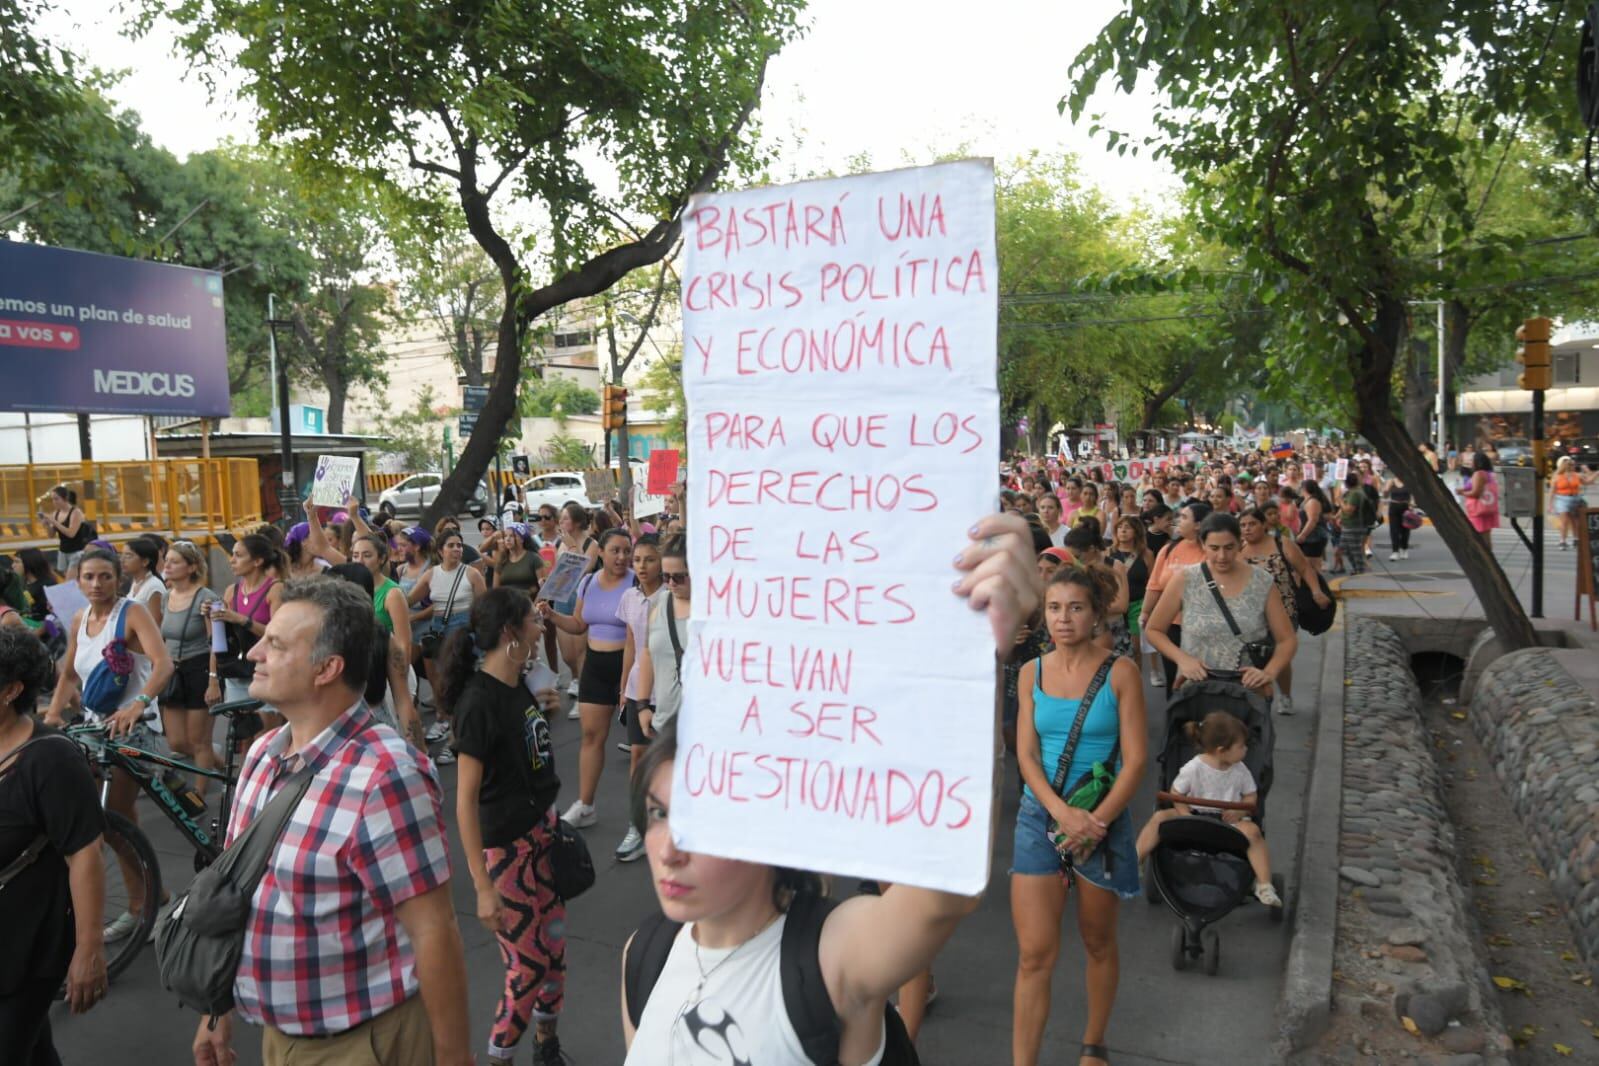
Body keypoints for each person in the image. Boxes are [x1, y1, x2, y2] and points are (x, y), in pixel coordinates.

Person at [621, 512, 1039, 1066]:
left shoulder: (830, 958)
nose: (669, 849)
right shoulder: (643, 957)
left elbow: (945, 889)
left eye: (697, 819)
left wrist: (977, 656)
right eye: (656, 814)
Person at [191, 579, 473, 1066]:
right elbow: (236, 892)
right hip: (279, 1037)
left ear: (327, 668)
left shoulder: (386, 776)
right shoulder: (263, 753)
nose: (254, 651)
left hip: (363, 1044)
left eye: (276, 643)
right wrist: (217, 1011)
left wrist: (452, 1057)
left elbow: (434, 932)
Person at [1011, 566, 1148, 1066]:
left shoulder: (1121, 673)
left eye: (1074, 608)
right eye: (1053, 608)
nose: (1062, 619)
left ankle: (1094, 1043)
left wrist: (1094, 822)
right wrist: (1060, 814)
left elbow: (1135, 760)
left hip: (1100, 820)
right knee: (1034, 954)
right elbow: (1025, 756)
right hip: (1040, 817)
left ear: (1094, 615)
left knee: (1096, 940)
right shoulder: (1032, 672)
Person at [442, 588, 567, 1066]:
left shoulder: (518, 684)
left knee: (554, 955)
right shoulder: (478, 702)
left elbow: (520, 759)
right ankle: (499, 1058)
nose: (541, 629)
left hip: (542, 839)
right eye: (534, 622)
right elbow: (466, 801)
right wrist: (483, 887)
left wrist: (545, 716)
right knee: (527, 969)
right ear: (511, 632)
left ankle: (545, 1047)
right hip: (506, 856)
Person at [41, 548, 174, 944]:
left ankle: (146, 902)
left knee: (113, 820)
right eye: (88, 577)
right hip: (94, 730)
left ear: (118, 578)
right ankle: (147, 899)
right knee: (110, 824)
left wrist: (139, 703)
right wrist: (50, 716)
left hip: (134, 729)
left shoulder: (132, 612)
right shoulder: (80, 619)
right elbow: (67, 674)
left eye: (104, 577)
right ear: (77, 581)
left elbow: (163, 664)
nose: (96, 585)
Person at [0, 627, 109, 1064]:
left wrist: (89, 949)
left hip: (26, 946)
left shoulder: (51, 758)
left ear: (10, 690)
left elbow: (84, 852)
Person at [1134, 710, 1281, 908]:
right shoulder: (1194, 768)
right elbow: (1176, 792)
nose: (1246, 749)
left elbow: (1250, 795)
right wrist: (1184, 813)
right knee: (1159, 818)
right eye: (1241, 746)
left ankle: (1264, 884)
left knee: (1253, 832)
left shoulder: (1240, 771)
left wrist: (1240, 811)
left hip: (1227, 821)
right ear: (1222, 750)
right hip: (1194, 816)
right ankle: (1136, 860)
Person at [1146, 513, 1298, 699]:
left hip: (1246, 692)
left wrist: (1268, 673)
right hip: (1196, 689)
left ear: (1240, 543)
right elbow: (1154, 630)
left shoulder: (1262, 581)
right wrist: (1183, 659)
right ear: (1203, 545)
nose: (1222, 556)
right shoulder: (1186, 579)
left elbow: (1286, 639)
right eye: (1214, 548)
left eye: (1229, 547)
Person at [541, 527, 634, 828]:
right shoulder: (587, 582)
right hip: (595, 666)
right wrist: (553, 616)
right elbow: (579, 624)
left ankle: (642, 818)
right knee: (592, 738)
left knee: (640, 746)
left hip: (629, 668)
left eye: (626, 550)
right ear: (602, 553)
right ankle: (586, 805)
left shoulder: (637, 583)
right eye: (615, 550)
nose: (622, 556)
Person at [1238, 507, 1326, 715]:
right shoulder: (1239, 550)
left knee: (1279, 654)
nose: (1247, 529)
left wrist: (1316, 591)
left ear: (1264, 525)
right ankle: (1259, 698)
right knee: (1254, 656)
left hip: (1284, 611)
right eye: (1243, 525)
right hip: (1251, 615)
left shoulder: (1282, 543)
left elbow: (1305, 568)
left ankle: (1285, 695)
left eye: (1252, 524)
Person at [158, 541, 223, 793]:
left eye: (174, 561)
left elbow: (217, 642)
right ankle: (222, 767)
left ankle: (200, 795)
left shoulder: (208, 598)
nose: (167, 566)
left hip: (200, 670)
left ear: (192, 566)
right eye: (166, 561)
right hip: (175, 671)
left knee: (199, 741)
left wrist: (214, 680)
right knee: (177, 741)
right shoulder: (166, 597)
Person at [615, 534, 663, 861]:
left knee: (668, 761)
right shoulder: (630, 598)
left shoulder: (672, 598)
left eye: (650, 559)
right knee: (638, 756)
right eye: (638, 560)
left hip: (667, 691)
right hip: (637, 690)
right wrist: (623, 688)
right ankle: (638, 823)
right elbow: (630, 646)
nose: (642, 566)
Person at [421, 528, 488, 763]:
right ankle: (456, 733)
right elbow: (406, 599)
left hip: (465, 635)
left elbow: (485, 608)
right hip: (441, 634)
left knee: (464, 688)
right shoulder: (431, 575)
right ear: (440, 551)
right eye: (451, 545)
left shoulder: (471, 574)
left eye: (459, 545)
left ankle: (455, 740)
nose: (457, 549)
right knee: (448, 689)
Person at [1140, 502, 1211, 690]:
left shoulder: (1212, 551)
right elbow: (1155, 585)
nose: (1178, 521)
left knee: (1202, 680)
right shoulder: (1168, 549)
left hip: (1203, 628)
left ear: (1198, 524)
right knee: (1174, 680)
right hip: (1171, 626)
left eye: (1184, 517)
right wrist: (1146, 613)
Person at [214, 534, 285, 706]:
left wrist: (241, 619)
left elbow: (278, 635)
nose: (232, 560)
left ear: (257, 561)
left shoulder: (276, 589)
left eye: (238, 555)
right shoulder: (232, 590)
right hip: (237, 673)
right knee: (241, 731)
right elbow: (218, 639)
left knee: (264, 730)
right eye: (233, 554)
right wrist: (210, 617)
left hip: (267, 670)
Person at [552, 502, 600, 702]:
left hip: (583, 597)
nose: (561, 522)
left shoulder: (592, 544)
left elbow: (582, 570)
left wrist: (572, 546)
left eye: (565, 518)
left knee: (581, 650)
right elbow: (560, 572)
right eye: (560, 518)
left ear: (578, 522)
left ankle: (584, 691)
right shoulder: (559, 543)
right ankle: (575, 676)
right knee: (567, 654)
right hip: (562, 596)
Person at [39, 485, 90, 578]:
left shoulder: (76, 512)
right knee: (68, 578)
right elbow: (51, 535)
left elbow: (71, 533)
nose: (54, 502)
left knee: (70, 580)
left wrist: (54, 521)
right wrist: (46, 525)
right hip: (63, 551)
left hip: (76, 551)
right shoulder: (56, 513)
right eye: (52, 499)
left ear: (65, 498)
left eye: (56, 499)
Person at [1549, 456, 1595, 551]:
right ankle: (1562, 540)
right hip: (1562, 499)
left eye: (1573, 464)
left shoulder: (1577, 475)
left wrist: (1596, 473)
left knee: (1576, 521)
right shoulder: (1557, 477)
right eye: (1570, 464)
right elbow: (1552, 491)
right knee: (1564, 521)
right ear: (1564, 465)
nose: (1572, 466)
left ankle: (1576, 539)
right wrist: (1550, 505)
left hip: (1575, 498)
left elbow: (1588, 482)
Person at [121, 537, 166, 628]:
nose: (122, 560)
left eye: (128, 556)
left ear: (145, 561)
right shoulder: (135, 582)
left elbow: (156, 626)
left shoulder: (153, 586)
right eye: (122, 555)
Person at [1461, 451, 1500, 553]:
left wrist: (1462, 493)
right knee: (1486, 536)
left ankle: (1484, 557)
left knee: (1479, 536)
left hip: (1478, 510)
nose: (1470, 463)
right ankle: (1489, 558)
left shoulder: (1479, 474)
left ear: (1477, 462)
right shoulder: (1490, 474)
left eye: (1472, 460)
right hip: (1488, 508)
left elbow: (1476, 493)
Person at [1337, 471, 1374, 576]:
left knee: (1355, 550)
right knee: (1344, 548)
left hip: (1354, 526)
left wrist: (1340, 501)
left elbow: (1349, 510)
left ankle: (1360, 570)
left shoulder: (1355, 494)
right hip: (1348, 525)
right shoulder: (1354, 492)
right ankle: (1357, 568)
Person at [1384, 474, 1414, 560]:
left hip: (1406, 507)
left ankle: (1404, 548)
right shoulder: (1391, 481)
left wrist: (1412, 505)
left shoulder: (1409, 481)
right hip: (1394, 507)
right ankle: (1395, 551)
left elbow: (1413, 495)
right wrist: (1386, 489)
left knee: (1405, 529)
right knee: (1394, 530)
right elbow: (1385, 495)